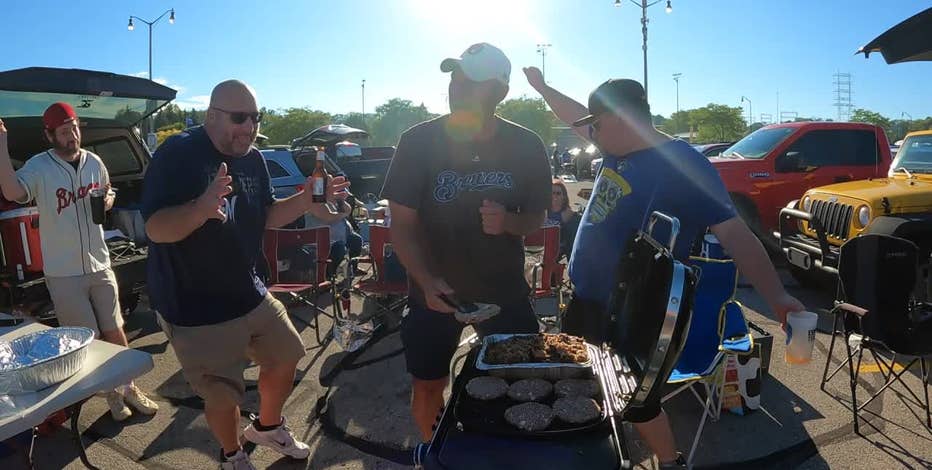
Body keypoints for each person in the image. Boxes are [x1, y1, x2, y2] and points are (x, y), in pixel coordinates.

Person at [524, 66, 805, 469]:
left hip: (636, 308)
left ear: (621, 119)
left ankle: (671, 462)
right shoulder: (615, 146)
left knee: (636, 395)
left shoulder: (683, 165)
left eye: (597, 125)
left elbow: (735, 234)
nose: (591, 134)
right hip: (587, 300)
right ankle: (591, 451)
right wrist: (542, 87)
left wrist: (776, 296)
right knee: (581, 383)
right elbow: (573, 114)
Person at [141, 80, 349, 470]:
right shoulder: (179, 154)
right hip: (194, 303)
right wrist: (200, 209)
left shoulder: (252, 159)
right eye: (240, 118)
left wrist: (306, 199)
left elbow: (266, 215)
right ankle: (231, 455)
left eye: (255, 117)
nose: (249, 127)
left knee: (287, 354)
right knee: (223, 395)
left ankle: (267, 428)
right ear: (212, 115)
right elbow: (155, 228)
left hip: (248, 289)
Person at [380, 43, 552, 460]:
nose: (457, 86)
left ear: (498, 91)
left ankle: (512, 456)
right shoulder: (418, 141)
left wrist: (507, 223)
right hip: (435, 292)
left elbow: (535, 217)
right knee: (427, 384)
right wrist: (425, 281)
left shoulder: (526, 145)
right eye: (455, 77)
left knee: (523, 380)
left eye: (470, 80)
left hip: (505, 291)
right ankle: (436, 456)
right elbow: (401, 226)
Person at [0, 104, 159, 422]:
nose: (71, 136)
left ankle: (128, 387)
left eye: (74, 128)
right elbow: (13, 190)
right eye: (63, 131)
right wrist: (1, 143)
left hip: (100, 263)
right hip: (64, 272)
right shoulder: (40, 167)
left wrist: (110, 197)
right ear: (49, 135)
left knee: (115, 329)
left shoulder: (94, 162)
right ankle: (112, 396)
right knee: (91, 338)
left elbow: (107, 187)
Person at [548, 179, 582, 259]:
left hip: (560, 245)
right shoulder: (543, 211)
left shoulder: (569, 214)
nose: (554, 196)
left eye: (558, 193)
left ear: (564, 197)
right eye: (552, 193)